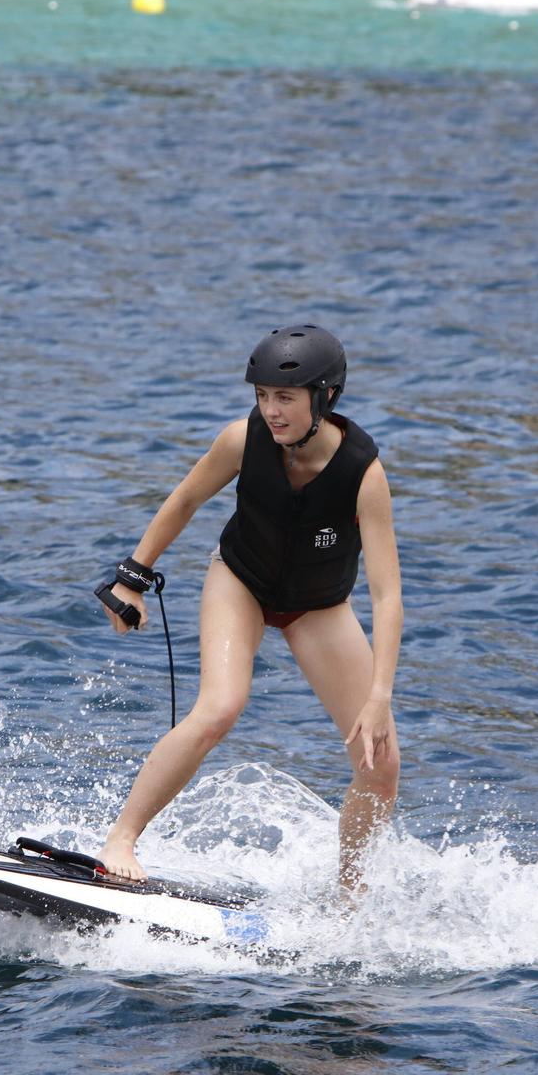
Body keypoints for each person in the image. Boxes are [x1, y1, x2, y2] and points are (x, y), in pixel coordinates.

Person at [96, 325, 403, 892]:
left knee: (379, 765)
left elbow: (387, 598)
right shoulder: (243, 439)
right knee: (219, 708)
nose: (272, 410)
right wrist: (132, 578)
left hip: (318, 608)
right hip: (240, 582)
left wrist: (380, 698)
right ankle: (121, 839)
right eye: (262, 396)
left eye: (285, 397)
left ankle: (350, 899)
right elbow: (185, 499)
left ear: (326, 397)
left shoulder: (364, 475)